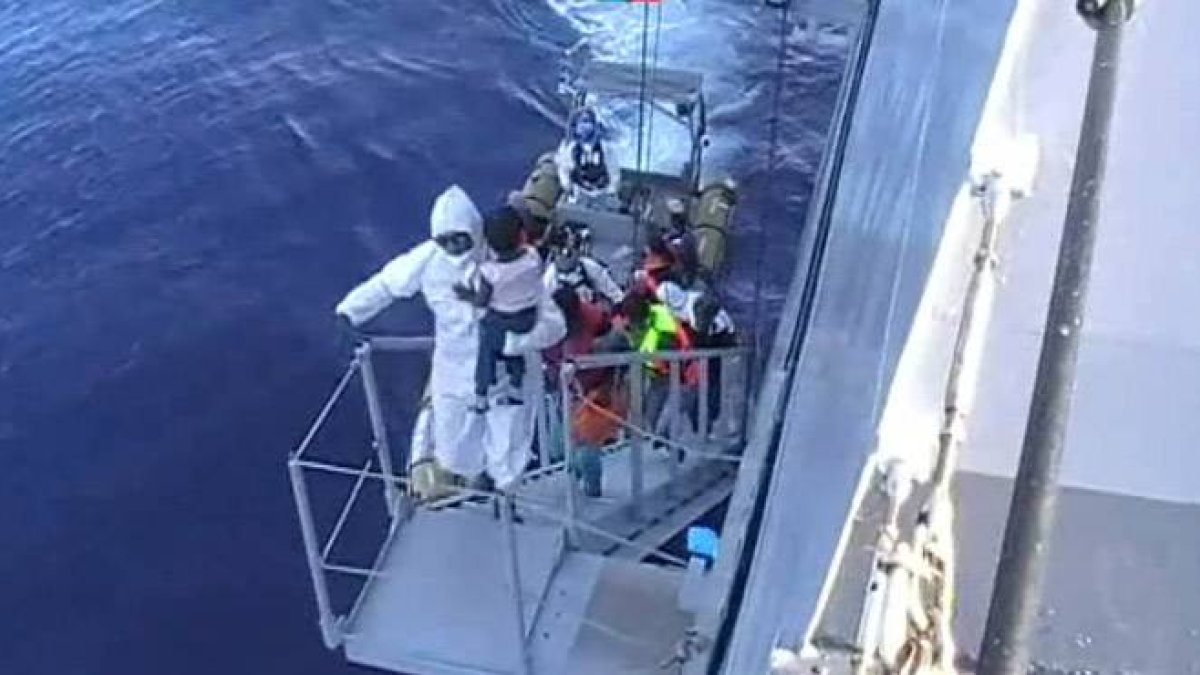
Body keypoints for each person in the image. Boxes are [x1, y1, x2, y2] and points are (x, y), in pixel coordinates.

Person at [335, 185, 565, 491]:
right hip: (453, 373)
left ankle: (506, 502)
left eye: (461, 238)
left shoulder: (508, 263)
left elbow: (553, 323)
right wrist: (349, 312)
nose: (455, 247)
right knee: (456, 453)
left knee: (508, 453)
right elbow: (386, 285)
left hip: (506, 374)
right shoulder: (428, 260)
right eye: (447, 240)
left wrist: (516, 342)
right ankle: (477, 481)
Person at [454, 207, 543, 412]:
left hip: (501, 322)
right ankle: (515, 387)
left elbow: (481, 302)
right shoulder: (533, 257)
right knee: (514, 347)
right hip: (528, 319)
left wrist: (465, 294)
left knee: (486, 347)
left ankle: (481, 396)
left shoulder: (489, 272)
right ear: (521, 235)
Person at [555, 108, 619, 203]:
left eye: (588, 121)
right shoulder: (570, 149)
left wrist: (611, 191)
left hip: (602, 195)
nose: (585, 126)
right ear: (575, 126)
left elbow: (613, 171)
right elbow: (564, 170)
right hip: (577, 196)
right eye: (582, 122)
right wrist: (569, 187)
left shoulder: (605, 148)